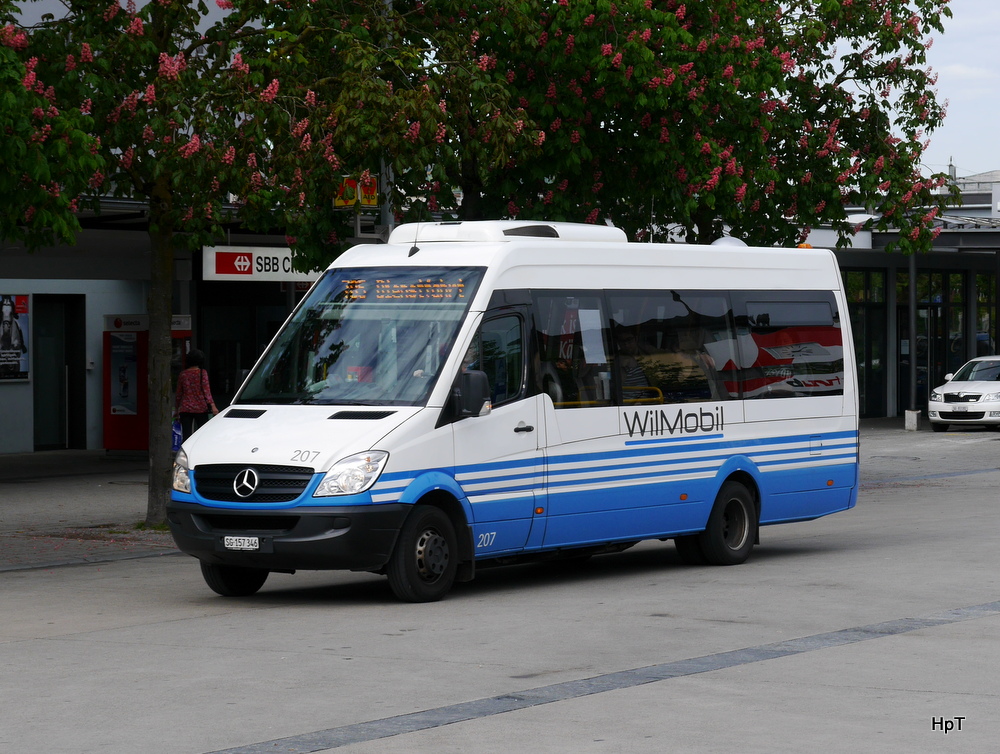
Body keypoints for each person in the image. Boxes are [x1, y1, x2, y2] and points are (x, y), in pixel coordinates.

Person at [175, 349, 218, 441]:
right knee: (201, 435)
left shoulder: (183, 374)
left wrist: (176, 409)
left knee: (186, 435)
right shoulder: (202, 373)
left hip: (185, 408)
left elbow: (179, 394)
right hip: (201, 408)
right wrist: (213, 406)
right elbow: (207, 391)